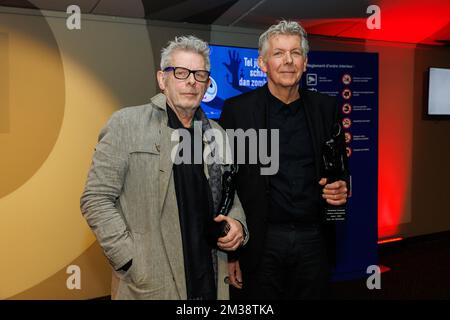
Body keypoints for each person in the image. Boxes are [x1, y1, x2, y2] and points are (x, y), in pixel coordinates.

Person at [81, 35, 248, 300]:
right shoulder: (127, 124)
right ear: (162, 80)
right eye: (181, 73)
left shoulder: (217, 134)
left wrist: (238, 224)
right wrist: (129, 259)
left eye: (200, 74)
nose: (192, 81)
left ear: (206, 84)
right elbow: (95, 199)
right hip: (151, 282)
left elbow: (231, 195)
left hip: (208, 279)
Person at [219, 20, 349, 299]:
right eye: (278, 53)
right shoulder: (237, 112)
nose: (288, 61)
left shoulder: (327, 109)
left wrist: (340, 188)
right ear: (263, 64)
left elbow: (340, 170)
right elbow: (227, 185)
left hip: (314, 239)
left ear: (305, 62)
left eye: (296, 53)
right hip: (261, 241)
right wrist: (232, 254)